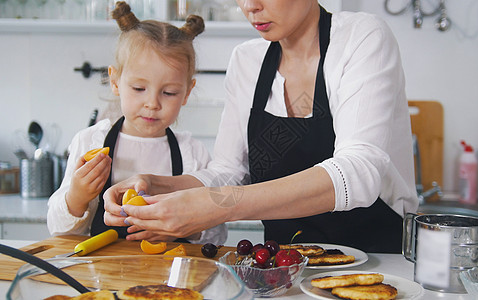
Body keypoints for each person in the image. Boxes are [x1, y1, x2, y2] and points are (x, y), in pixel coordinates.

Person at [102, 0, 418, 253]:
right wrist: (158, 185)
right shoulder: (247, 60)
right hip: (282, 265)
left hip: (378, 263)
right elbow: (229, 172)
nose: (249, 6)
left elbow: (358, 172)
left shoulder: (360, 37)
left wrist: (218, 206)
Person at [47, 1, 227, 245]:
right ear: (115, 81)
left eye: (170, 92)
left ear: (187, 92)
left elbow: (216, 234)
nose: (152, 103)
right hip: (103, 278)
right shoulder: (91, 141)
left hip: (170, 278)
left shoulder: (191, 153)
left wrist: (183, 230)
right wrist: (77, 196)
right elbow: (58, 230)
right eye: (139, 88)